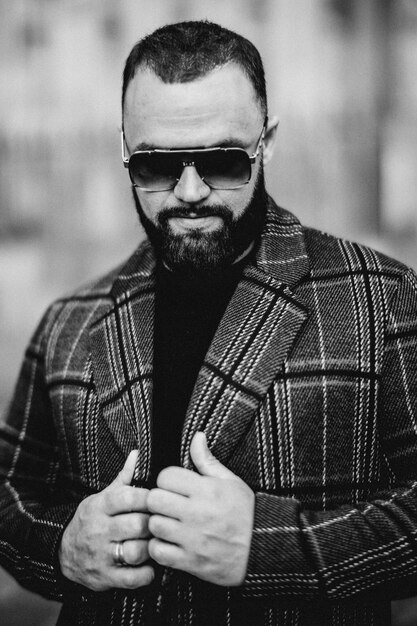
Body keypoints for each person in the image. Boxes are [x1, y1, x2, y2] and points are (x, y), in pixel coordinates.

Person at [1, 19, 417, 626]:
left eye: (222, 160)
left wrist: (273, 549)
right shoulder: (70, 320)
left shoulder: (382, 298)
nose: (190, 191)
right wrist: (62, 546)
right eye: (156, 166)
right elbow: (10, 498)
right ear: (123, 152)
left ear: (266, 143)